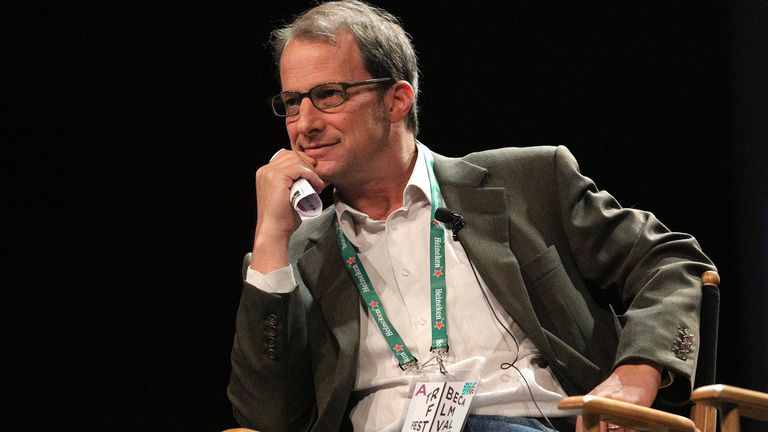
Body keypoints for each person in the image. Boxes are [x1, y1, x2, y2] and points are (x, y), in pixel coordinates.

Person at [227, 1, 715, 431]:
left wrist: (636, 374)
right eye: (292, 103)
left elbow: (672, 262)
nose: (305, 123)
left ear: (397, 100)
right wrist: (270, 238)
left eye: (328, 95)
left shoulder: (529, 181)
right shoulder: (294, 258)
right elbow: (266, 420)